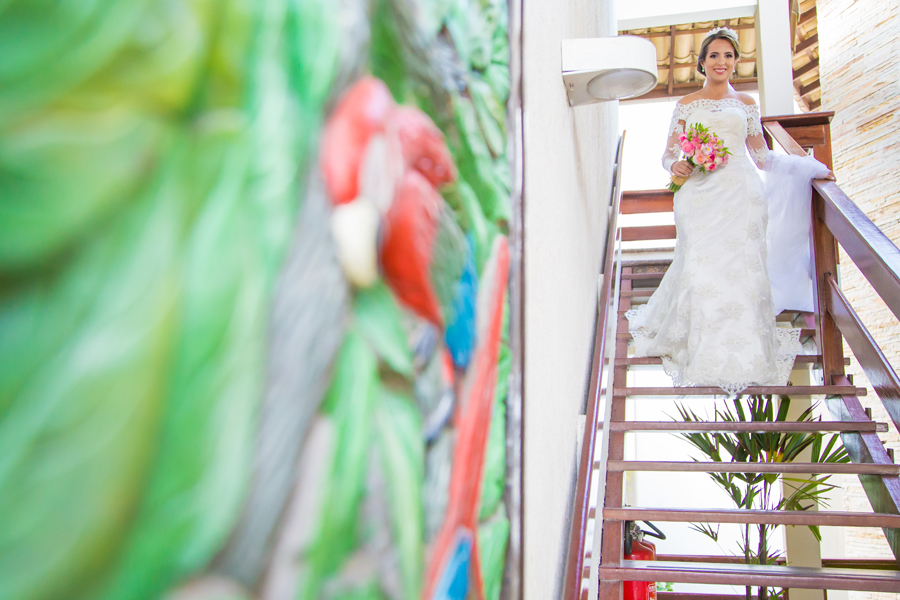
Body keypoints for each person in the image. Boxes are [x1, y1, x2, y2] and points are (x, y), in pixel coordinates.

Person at [625, 27, 834, 395]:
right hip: (699, 196)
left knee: (742, 268)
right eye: (715, 55)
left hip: (742, 194)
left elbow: (761, 157)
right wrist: (676, 165)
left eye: (729, 56)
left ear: (736, 62)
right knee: (702, 265)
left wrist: (805, 166)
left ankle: (746, 352)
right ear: (702, 62)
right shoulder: (686, 105)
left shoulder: (747, 105)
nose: (722, 62)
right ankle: (701, 348)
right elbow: (668, 153)